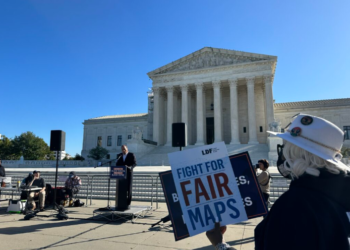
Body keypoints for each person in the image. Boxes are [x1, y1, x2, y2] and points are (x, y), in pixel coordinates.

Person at [206, 114, 350, 250]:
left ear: (295, 152)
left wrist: (221, 245)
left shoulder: (295, 206)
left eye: (286, 145)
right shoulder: (336, 197)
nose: (282, 151)